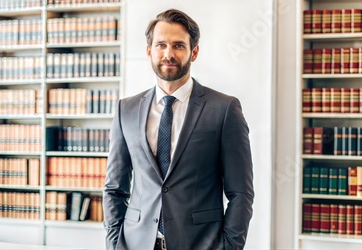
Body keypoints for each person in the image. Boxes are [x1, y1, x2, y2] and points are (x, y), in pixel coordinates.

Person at [103, 8, 254, 250]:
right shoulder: (126, 110)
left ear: (194, 52)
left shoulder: (224, 109)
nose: (168, 53)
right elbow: (114, 188)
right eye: (161, 45)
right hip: (135, 243)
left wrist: (229, 247)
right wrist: (114, 243)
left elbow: (241, 193)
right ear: (149, 51)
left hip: (201, 244)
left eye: (178, 45)